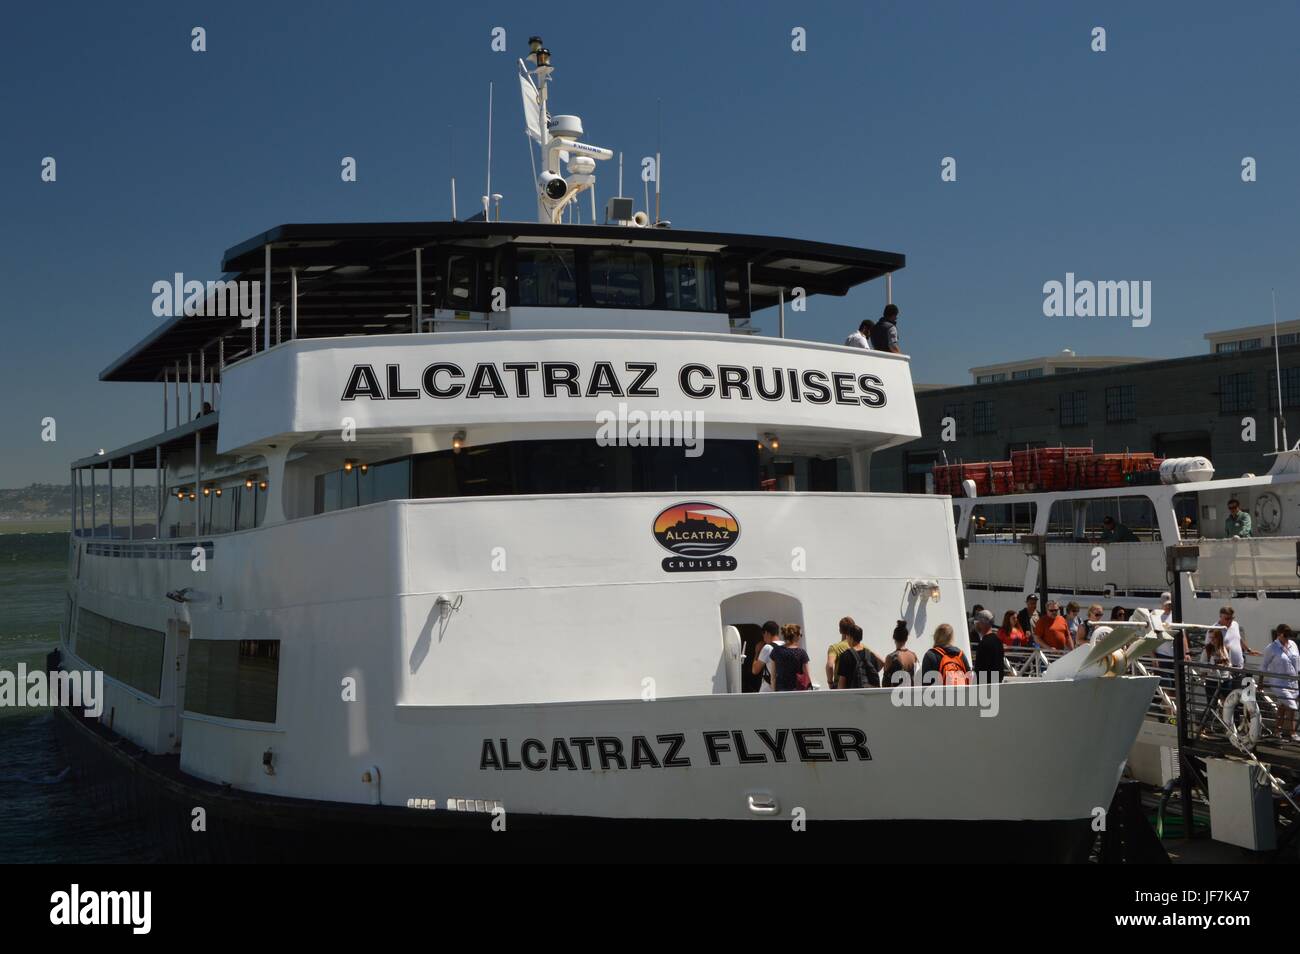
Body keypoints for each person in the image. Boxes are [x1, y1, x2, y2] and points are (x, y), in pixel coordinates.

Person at [1261, 624, 1299, 741]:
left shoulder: (1293, 645)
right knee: (1291, 705)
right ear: (1279, 634)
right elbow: (1264, 666)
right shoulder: (1271, 648)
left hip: (1293, 681)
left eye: (1289, 635)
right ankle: (1292, 732)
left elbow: (1297, 660)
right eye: (1285, 635)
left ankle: (1278, 732)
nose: (1288, 638)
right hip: (1279, 682)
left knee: (1283, 706)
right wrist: (1260, 682)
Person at [835, 624, 881, 689]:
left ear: (850, 637)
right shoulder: (871, 655)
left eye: (847, 636)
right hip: (870, 695)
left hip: (852, 696)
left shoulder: (845, 655)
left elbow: (842, 683)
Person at [771, 624, 813, 691]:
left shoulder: (776, 651)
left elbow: (773, 676)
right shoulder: (801, 653)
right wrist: (810, 689)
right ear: (795, 636)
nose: (800, 637)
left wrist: (774, 691)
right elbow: (807, 674)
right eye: (800, 635)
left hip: (781, 690)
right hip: (797, 690)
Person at [881, 620, 918, 687]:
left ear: (894, 638)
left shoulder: (891, 657)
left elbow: (885, 683)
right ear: (906, 638)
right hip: (911, 694)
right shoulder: (913, 656)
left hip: (895, 695)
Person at [751, 620, 784, 693]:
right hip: (784, 687)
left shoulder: (767, 648)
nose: (763, 638)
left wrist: (757, 652)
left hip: (769, 689)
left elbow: (755, 670)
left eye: (763, 634)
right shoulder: (786, 646)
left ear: (766, 633)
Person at [971, 609, 1003, 682]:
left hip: (985, 687)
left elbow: (981, 669)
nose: (975, 625)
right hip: (996, 684)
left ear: (982, 623)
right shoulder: (998, 641)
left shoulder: (984, 643)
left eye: (976, 622)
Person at [825, 617, 854, 686]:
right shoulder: (861, 646)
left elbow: (830, 665)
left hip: (840, 686)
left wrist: (830, 682)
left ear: (840, 630)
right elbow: (881, 662)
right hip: (856, 685)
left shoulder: (835, 648)